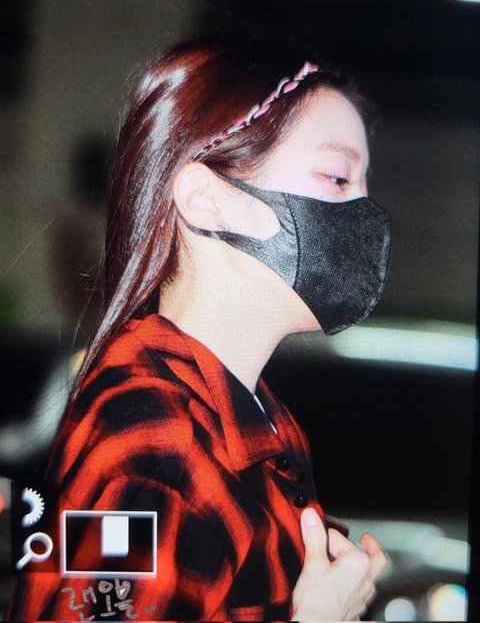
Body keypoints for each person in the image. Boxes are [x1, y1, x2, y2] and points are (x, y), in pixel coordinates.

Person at [6, 33, 391, 621]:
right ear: (206, 199)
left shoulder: (258, 423)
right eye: (339, 178)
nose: (367, 214)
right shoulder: (153, 447)